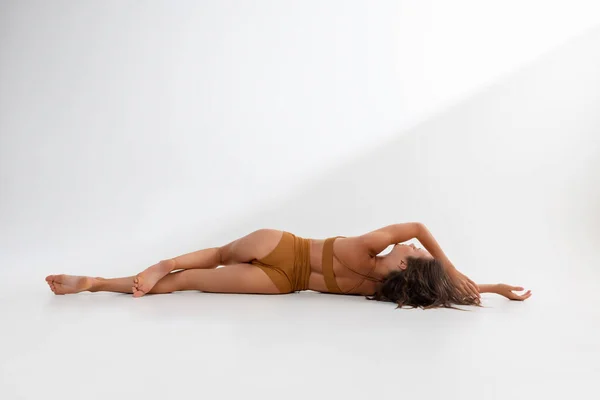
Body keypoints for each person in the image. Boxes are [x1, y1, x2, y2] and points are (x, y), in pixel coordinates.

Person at [45, 222, 531, 309]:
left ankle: (94, 284)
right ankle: (159, 263)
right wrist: (462, 270)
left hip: (283, 280)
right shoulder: (368, 249)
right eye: (420, 251)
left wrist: (493, 288)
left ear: (409, 272)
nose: (416, 248)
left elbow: (452, 294)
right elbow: (419, 225)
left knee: (193, 282)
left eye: (417, 256)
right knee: (206, 261)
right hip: (284, 248)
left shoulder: (377, 289)